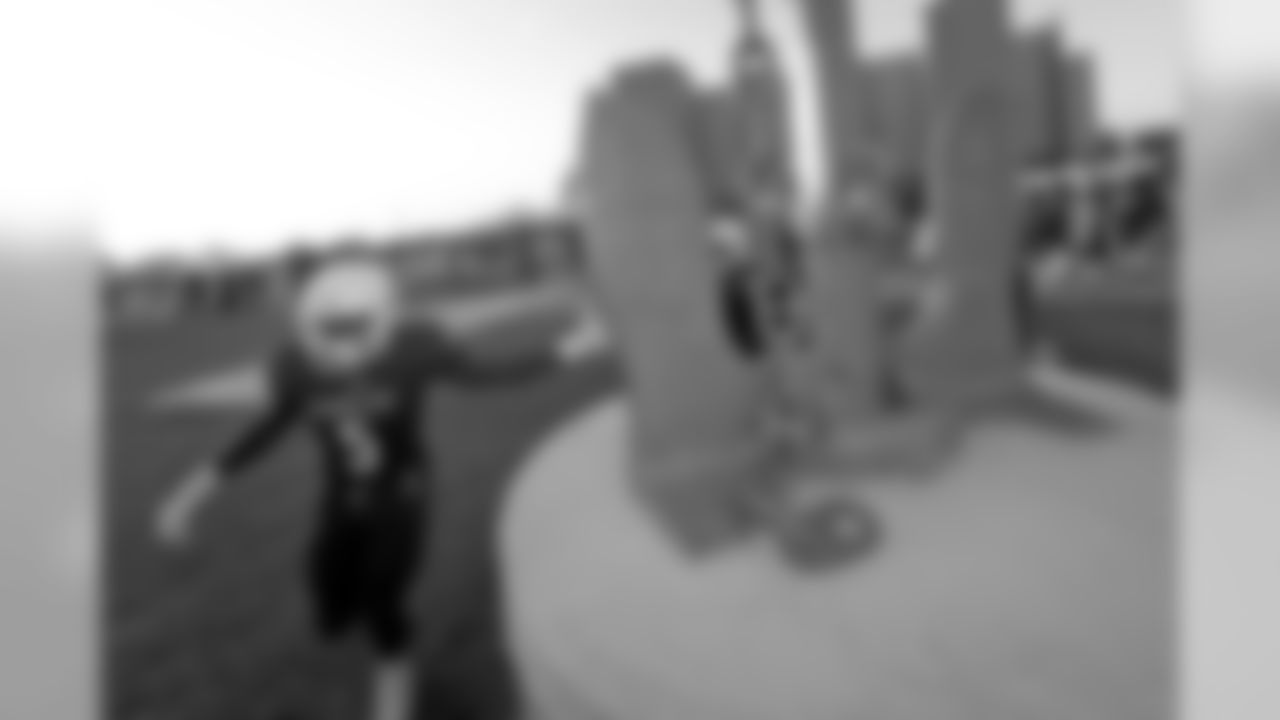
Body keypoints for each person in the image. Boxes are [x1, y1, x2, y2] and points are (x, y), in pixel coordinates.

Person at [153, 255, 594, 720]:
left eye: (355, 327)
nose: (342, 346)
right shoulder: (294, 365)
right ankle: (343, 615)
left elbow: (491, 373)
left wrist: (575, 345)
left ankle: (394, 668)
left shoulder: (414, 349)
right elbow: (266, 429)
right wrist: (191, 492)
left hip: (400, 488)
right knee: (326, 579)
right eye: (331, 329)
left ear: (386, 321)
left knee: (383, 594)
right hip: (341, 490)